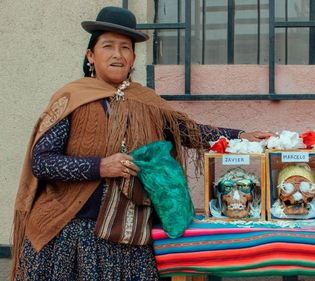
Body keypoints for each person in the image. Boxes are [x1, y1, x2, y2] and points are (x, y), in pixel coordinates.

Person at [11, 6, 271, 280]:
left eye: (125, 48)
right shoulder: (71, 99)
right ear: (91, 55)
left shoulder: (146, 102)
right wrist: (101, 166)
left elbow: (189, 132)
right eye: (108, 46)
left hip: (127, 235)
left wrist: (238, 137)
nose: (117, 54)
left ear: (133, 58)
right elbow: (42, 162)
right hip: (70, 235)